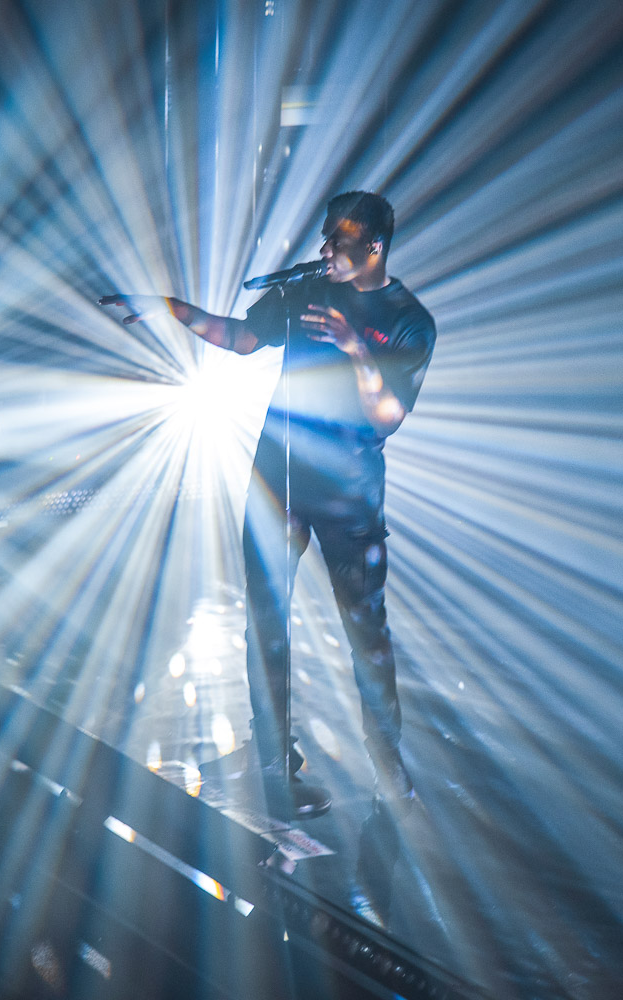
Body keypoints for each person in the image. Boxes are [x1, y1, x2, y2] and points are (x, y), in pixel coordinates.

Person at [101, 192, 435, 821]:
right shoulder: (307, 290)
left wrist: (356, 349)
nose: (326, 249)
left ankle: (387, 761)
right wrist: (168, 308)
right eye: (326, 236)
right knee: (266, 622)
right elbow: (241, 337)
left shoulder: (408, 318)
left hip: (349, 495)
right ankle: (277, 764)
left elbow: (388, 415)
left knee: (367, 632)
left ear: (375, 247)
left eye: (340, 239)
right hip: (275, 479)